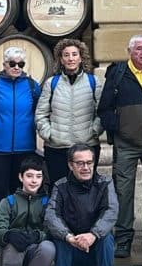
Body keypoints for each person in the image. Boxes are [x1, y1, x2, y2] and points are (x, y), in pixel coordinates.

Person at [96, 35, 142, 258]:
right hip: (126, 144)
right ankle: (124, 238)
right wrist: (120, 127)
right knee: (123, 191)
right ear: (130, 51)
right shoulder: (118, 74)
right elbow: (104, 110)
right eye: (139, 49)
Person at [43, 144, 120, 266]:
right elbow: (51, 215)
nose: (85, 167)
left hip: (96, 250)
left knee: (106, 237)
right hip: (71, 251)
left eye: (89, 163)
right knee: (59, 237)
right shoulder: (60, 186)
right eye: (80, 163)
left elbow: (111, 211)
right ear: (70, 165)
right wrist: (70, 237)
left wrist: (93, 235)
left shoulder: (105, 183)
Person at [35, 38, 102, 185]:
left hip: (86, 146)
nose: (70, 58)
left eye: (74, 54)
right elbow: (41, 114)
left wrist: (94, 130)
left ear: (80, 58)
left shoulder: (93, 82)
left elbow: (101, 112)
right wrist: (49, 134)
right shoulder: (51, 83)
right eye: (66, 55)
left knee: (86, 189)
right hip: (57, 148)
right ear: (61, 59)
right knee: (59, 188)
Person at [0, 47, 42, 204]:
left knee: (21, 190)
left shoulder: (32, 86)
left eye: (21, 64)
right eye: (12, 63)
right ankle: (0, 226)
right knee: (0, 190)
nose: (16, 67)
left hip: (25, 147)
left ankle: (20, 225)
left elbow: (39, 112)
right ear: (4, 64)